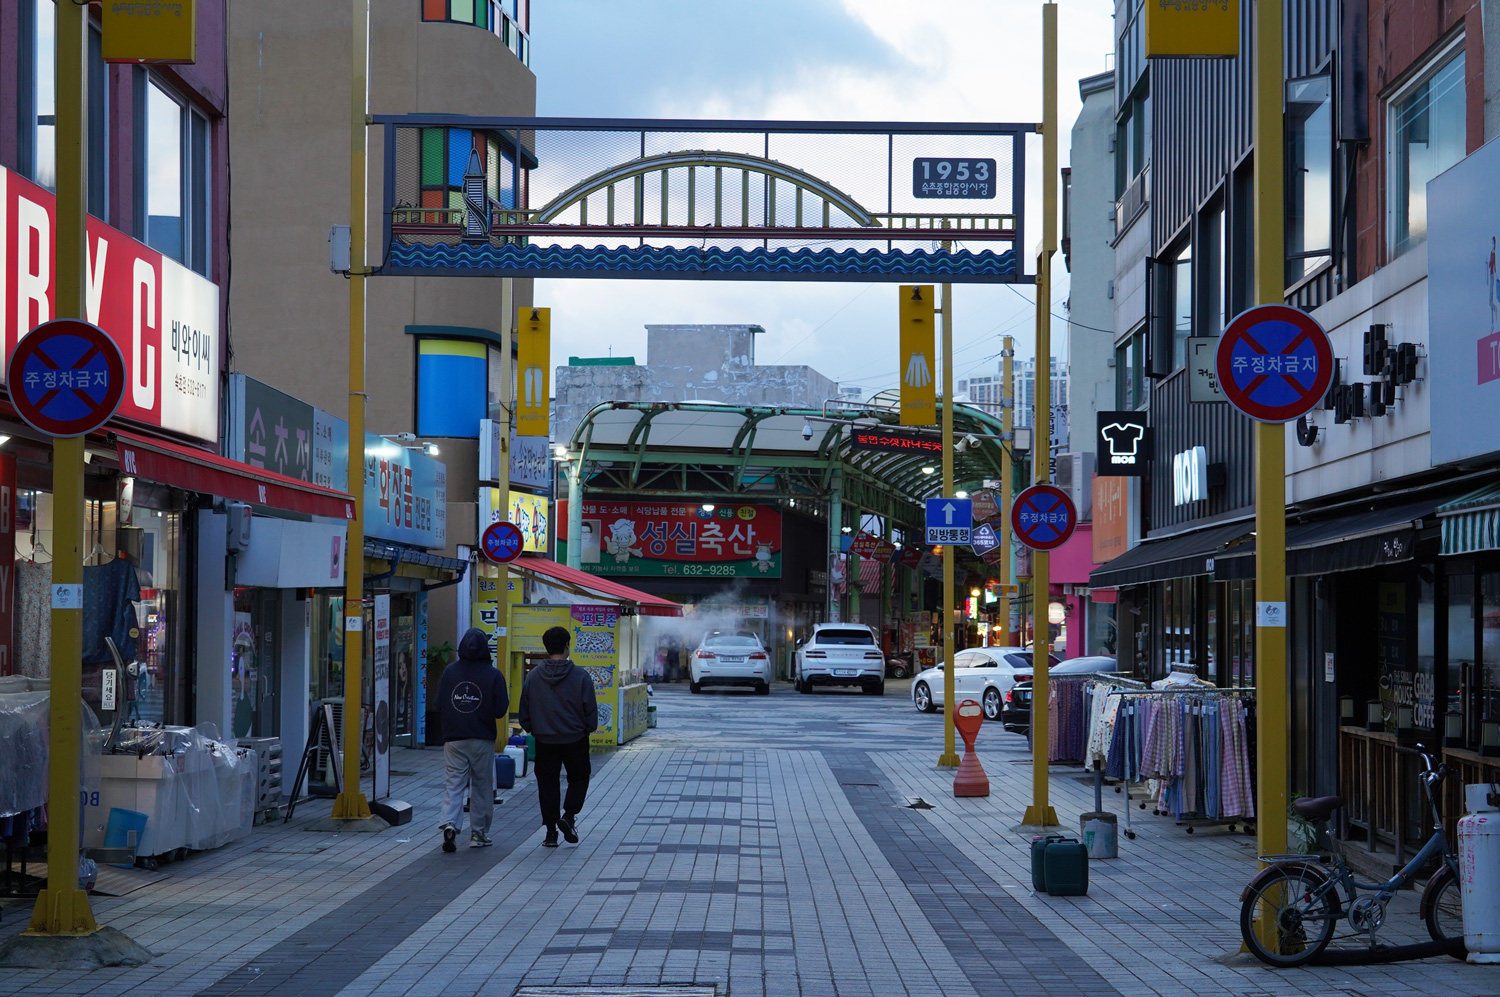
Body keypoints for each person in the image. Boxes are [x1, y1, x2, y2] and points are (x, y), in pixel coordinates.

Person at [518, 626, 598, 847]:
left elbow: (524, 712)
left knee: (547, 783)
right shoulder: (581, 677)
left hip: (544, 740)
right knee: (579, 778)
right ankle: (569, 816)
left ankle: (551, 832)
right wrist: (587, 729)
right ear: (566, 646)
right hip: (575, 739)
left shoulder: (533, 677)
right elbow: (590, 712)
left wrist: (534, 729)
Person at [436, 627, 510, 851]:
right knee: (481, 786)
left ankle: (449, 822)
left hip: (454, 739)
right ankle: (478, 834)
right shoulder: (493, 674)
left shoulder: (450, 672)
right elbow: (500, 709)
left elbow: (438, 703)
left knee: (454, 784)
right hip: (482, 738)